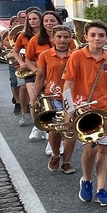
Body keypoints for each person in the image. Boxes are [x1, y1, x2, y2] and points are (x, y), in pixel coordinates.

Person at [63, 20, 107, 206]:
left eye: (101, 35)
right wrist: (68, 109)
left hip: (105, 111)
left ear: (106, 37)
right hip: (84, 111)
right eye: (93, 35)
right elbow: (68, 84)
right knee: (90, 149)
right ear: (86, 37)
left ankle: (101, 189)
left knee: (104, 149)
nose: (97, 38)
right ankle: (86, 180)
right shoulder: (76, 57)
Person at [34, 25, 77, 173]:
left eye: (66, 37)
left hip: (71, 96)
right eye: (59, 37)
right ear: (52, 38)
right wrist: (35, 96)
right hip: (52, 96)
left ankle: (66, 162)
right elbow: (40, 76)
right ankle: (56, 154)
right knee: (55, 128)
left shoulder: (76, 55)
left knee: (70, 129)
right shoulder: (45, 55)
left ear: (70, 38)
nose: (62, 40)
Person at [24, 10, 61, 142]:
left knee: (56, 108)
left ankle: (52, 134)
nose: (49, 23)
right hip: (40, 76)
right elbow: (28, 59)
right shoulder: (35, 40)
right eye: (46, 21)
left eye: (52, 20)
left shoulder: (66, 38)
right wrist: (36, 70)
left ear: (58, 22)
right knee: (35, 102)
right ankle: (38, 126)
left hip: (58, 78)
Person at [13, 8, 42, 125]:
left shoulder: (46, 35)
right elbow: (15, 51)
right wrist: (21, 62)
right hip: (28, 68)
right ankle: (24, 113)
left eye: (35, 19)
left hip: (42, 67)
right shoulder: (23, 35)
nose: (32, 21)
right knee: (24, 89)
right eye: (29, 19)